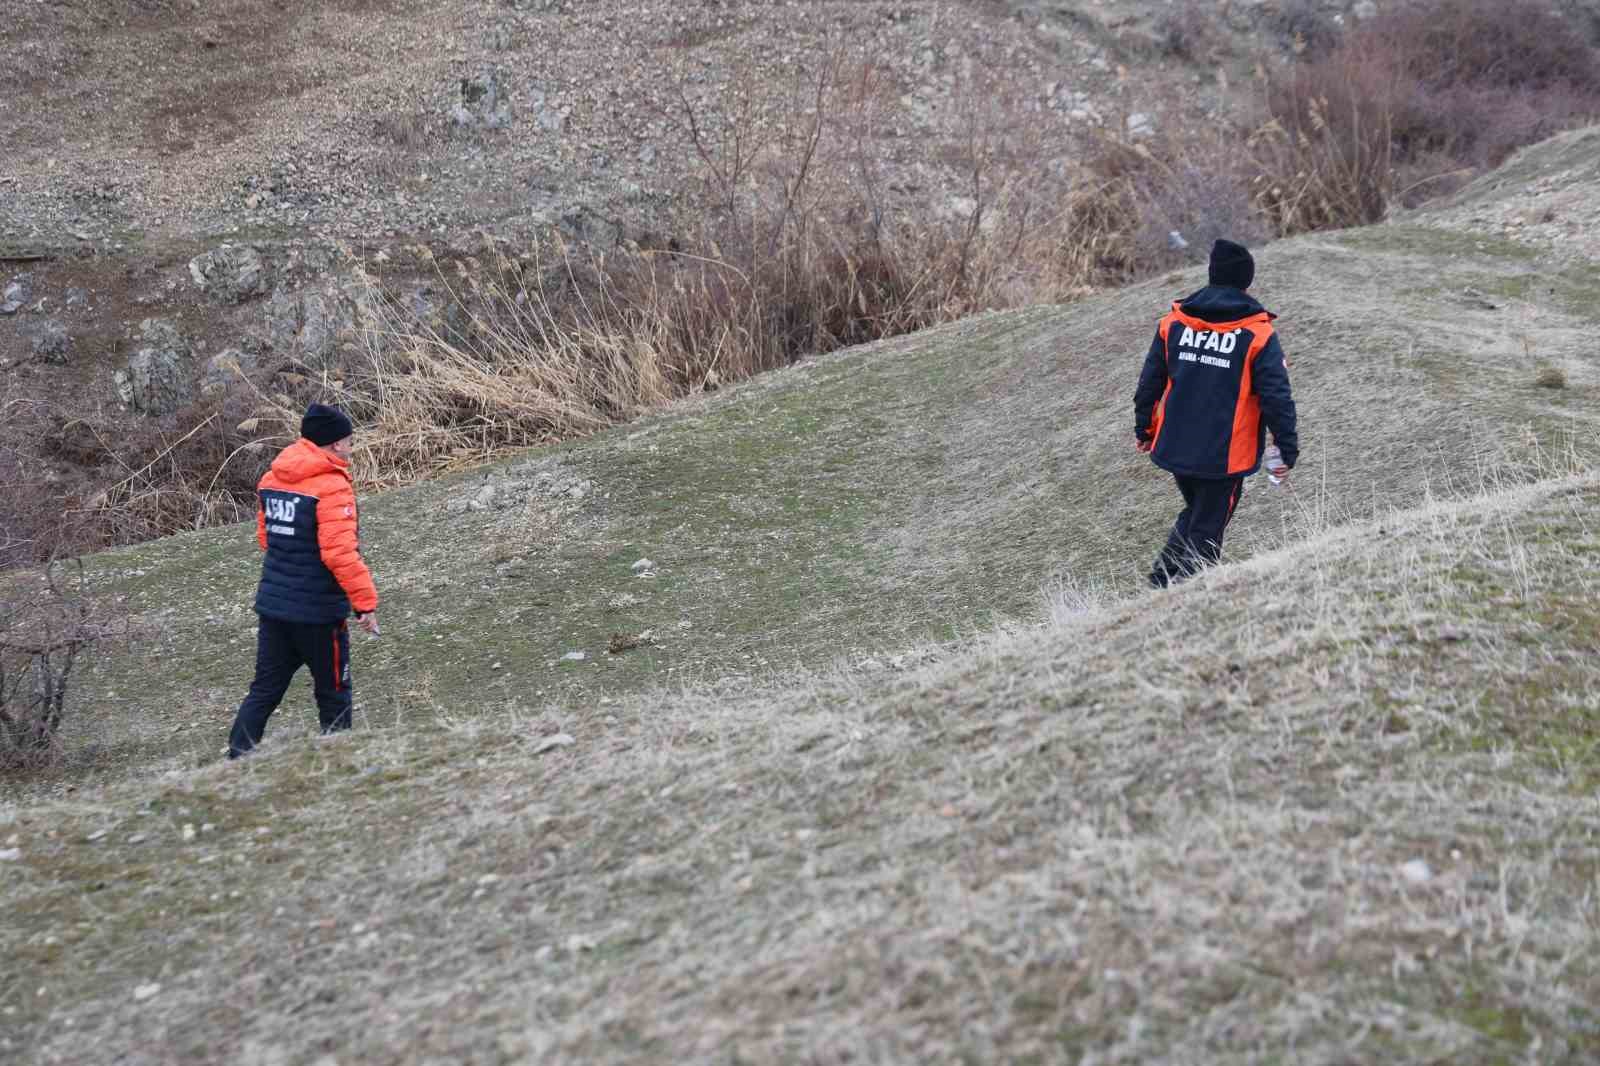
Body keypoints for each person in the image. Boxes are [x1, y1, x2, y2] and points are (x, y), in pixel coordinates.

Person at [1133, 238, 1298, 587]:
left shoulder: (1173, 323)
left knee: (1199, 514)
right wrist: (1286, 447)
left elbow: (1149, 383)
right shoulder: (1258, 335)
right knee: (1208, 525)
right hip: (1224, 459)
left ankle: (1160, 582)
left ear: (1211, 275)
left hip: (1176, 447)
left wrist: (1145, 431)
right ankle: (1190, 592)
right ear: (1246, 281)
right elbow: (1277, 397)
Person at [226, 403, 379, 759]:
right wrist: (366, 604)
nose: (352, 445)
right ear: (336, 444)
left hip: (275, 608)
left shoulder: (272, 479)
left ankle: (236, 759)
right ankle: (339, 759)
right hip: (318, 613)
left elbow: (266, 538)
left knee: (264, 689)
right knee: (334, 690)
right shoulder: (331, 486)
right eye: (349, 439)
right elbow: (340, 554)